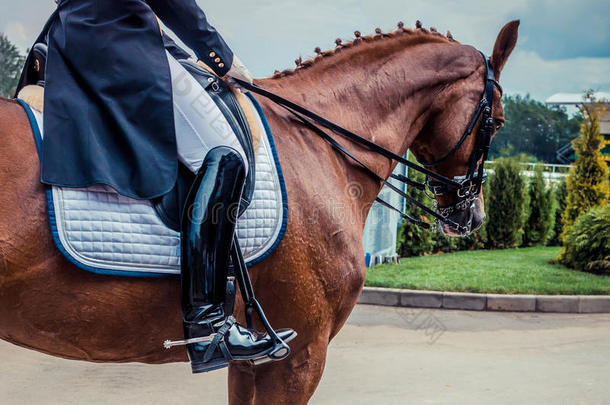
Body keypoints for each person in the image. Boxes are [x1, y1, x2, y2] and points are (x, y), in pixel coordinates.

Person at [37, 0, 295, 373]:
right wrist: (221, 58)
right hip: (118, 38)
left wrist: (178, 51)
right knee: (227, 154)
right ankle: (208, 325)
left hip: (72, 33)